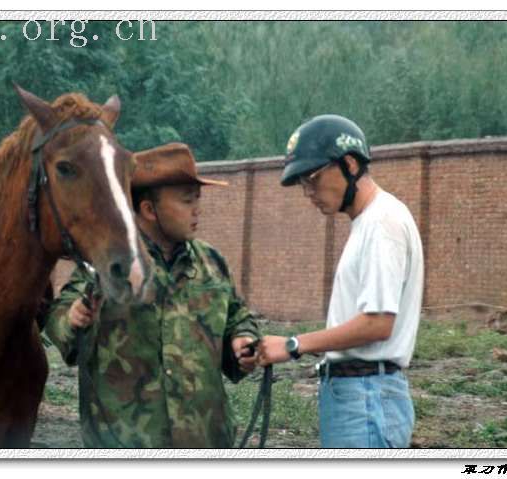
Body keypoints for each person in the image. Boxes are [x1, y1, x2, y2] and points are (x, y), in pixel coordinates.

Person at [45, 142, 262, 448]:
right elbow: (58, 319)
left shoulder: (210, 262)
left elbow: (237, 316)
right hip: (126, 440)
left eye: (197, 199)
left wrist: (242, 340)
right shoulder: (110, 262)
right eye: (187, 201)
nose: (197, 209)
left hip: (204, 439)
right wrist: (73, 318)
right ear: (148, 209)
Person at [257, 114, 424, 449]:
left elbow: (377, 324)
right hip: (359, 395)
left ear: (349, 164)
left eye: (312, 179)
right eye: (303, 183)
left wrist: (293, 345)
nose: (308, 192)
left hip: (365, 398)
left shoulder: (382, 224)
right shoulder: (367, 223)